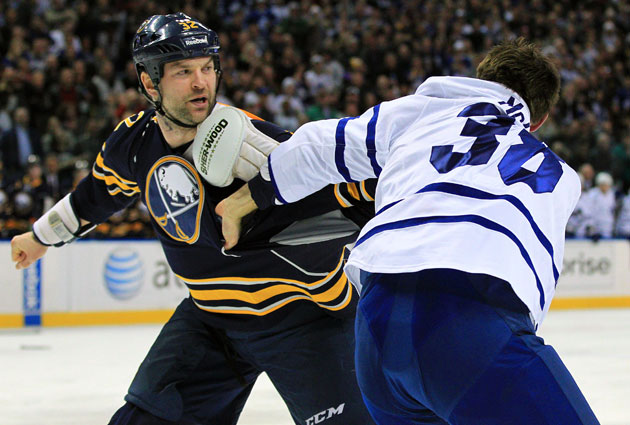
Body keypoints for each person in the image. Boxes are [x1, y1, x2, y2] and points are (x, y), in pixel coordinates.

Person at [10, 13, 376, 425]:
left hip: (306, 319)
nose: (201, 82)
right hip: (210, 321)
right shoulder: (135, 142)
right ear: (149, 83)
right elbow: (95, 197)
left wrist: (271, 190)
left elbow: (361, 194)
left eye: (207, 68)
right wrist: (40, 237)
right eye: (183, 72)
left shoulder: (257, 143)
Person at [217, 38, 601, 424]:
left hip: (376, 327)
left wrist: (244, 199)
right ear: (540, 121)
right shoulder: (561, 176)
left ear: (481, 79)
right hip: (469, 321)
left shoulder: (425, 111)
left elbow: (320, 147)